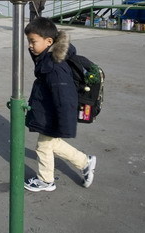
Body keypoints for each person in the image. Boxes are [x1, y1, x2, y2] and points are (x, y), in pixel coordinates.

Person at [23, 17, 96, 192]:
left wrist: (65, 124)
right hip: (49, 112)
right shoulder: (47, 57)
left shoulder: (55, 67)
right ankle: (85, 162)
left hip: (53, 114)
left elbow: (65, 97)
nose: (30, 46)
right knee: (51, 143)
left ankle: (46, 180)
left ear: (49, 41)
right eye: (29, 42)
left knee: (43, 146)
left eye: (33, 41)